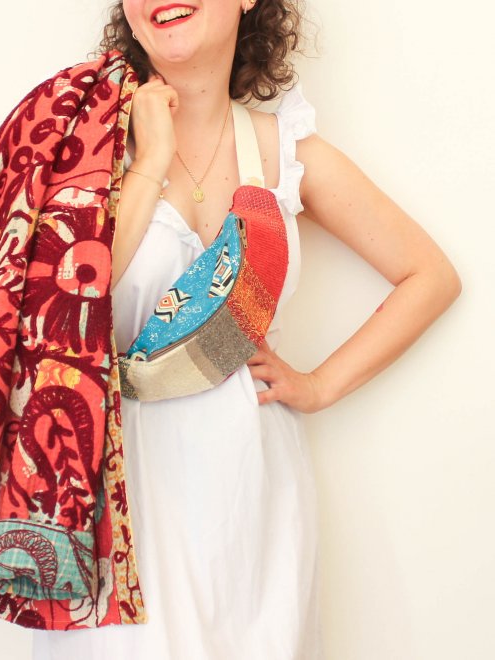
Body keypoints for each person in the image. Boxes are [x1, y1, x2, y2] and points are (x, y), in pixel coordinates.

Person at [28, 0, 461, 658]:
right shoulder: (83, 149)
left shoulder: (286, 152)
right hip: (119, 490)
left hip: (253, 496)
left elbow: (429, 275)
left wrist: (319, 386)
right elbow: (59, 312)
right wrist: (150, 160)